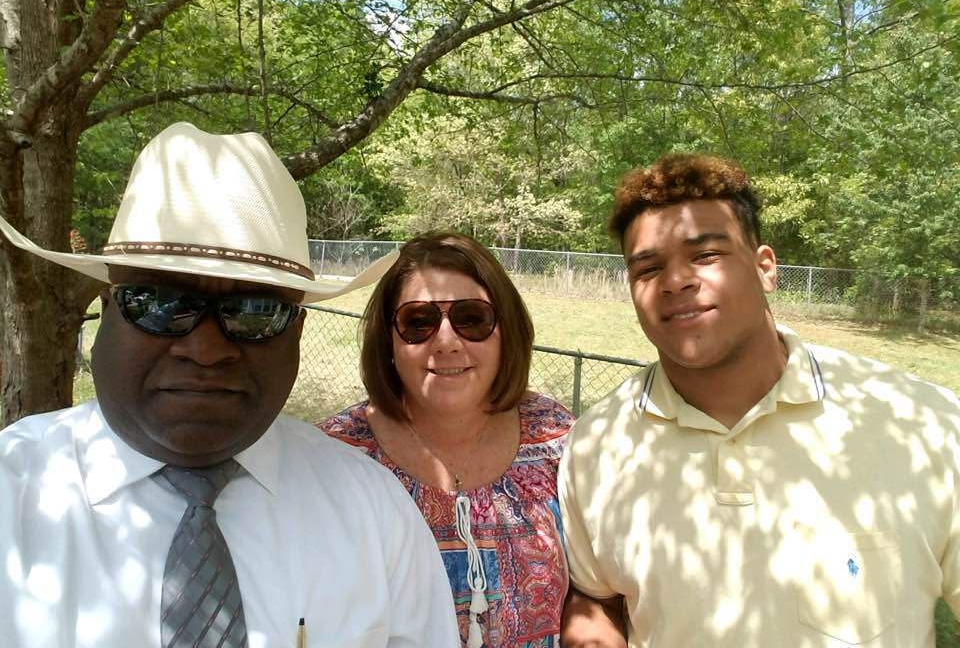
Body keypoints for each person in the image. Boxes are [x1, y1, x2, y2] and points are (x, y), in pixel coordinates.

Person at [0, 122, 460, 647]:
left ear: (298, 332)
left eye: (255, 311)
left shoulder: (372, 513)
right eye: (159, 303)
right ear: (106, 313)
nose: (206, 348)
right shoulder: (13, 499)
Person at [559, 153, 960, 647]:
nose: (676, 280)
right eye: (648, 268)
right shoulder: (597, 444)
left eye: (705, 255)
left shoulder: (923, 425)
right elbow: (595, 595)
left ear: (765, 267)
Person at [320, 232, 573, 648]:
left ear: (506, 331)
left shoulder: (556, 441)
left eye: (473, 318)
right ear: (389, 341)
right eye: (417, 322)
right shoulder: (335, 460)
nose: (447, 342)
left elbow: (603, 589)